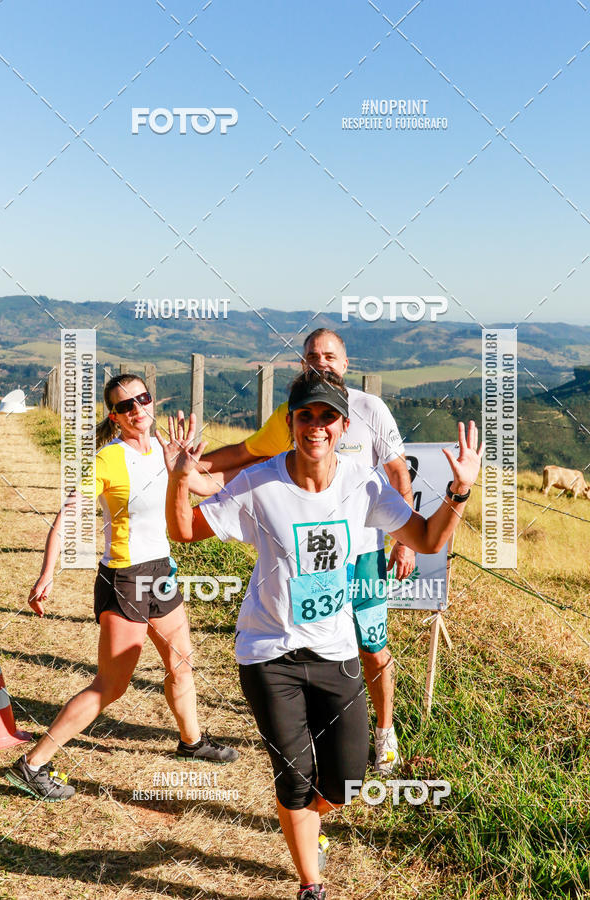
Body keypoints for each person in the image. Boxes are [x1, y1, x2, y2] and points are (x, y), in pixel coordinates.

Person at [158, 370, 483, 900]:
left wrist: (459, 491)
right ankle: (311, 882)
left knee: (346, 780)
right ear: (289, 423)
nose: (316, 426)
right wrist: (178, 479)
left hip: (336, 650)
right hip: (269, 653)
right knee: (294, 777)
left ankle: (309, 822)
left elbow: (425, 539)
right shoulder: (260, 483)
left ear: (344, 424)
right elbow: (184, 531)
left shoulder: (363, 480)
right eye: (305, 415)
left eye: (327, 416)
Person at [6, 373, 238, 802]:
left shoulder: (166, 451)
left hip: (161, 573)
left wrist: (208, 467)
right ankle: (32, 764)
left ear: (153, 401)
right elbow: (67, 517)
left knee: (180, 663)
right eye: (125, 406)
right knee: (111, 686)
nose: (136, 410)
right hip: (125, 578)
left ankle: (191, 742)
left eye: (142, 399)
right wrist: (47, 573)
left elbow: (210, 487)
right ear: (114, 416)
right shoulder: (108, 459)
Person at [198, 328, 415, 773]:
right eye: (312, 356)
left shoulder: (370, 409)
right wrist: (188, 467)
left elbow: (397, 471)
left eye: (330, 356)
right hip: (308, 557)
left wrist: (403, 540)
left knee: (372, 647)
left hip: (365, 553)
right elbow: (245, 454)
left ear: (346, 363)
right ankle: (318, 732)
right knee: (314, 642)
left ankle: (385, 732)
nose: (322, 363)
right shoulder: (290, 414)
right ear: (302, 364)